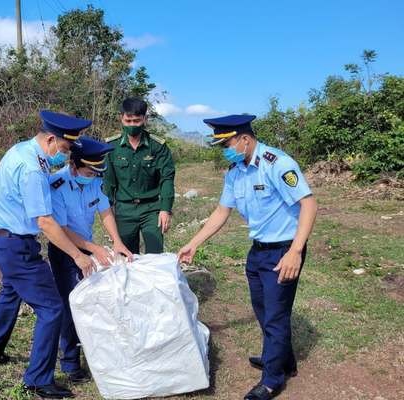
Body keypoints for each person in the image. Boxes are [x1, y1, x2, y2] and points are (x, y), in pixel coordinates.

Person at [177, 114, 317, 400]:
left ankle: (271, 380)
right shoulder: (235, 171)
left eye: (226, 143)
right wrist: (194, 243)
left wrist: (295, 252)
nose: (224, 149)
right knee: (264, 310)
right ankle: (282, 360)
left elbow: (309, 205)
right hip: (258, 251)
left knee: (276, 315)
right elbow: (221, 212)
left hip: (283, 250)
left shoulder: (277, 164)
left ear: (245, 139)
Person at [0, 110, 96, 399]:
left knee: (10, 292)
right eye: (66, 149)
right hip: (17, 246)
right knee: (52, 308)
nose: (66, 156)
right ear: (52, 139)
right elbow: (45, 222)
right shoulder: (32, 168)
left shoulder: (20, 149)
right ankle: (38, 380)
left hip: (3, 239)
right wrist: (78, 256)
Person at [48, 136, 133, 383]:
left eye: (98, 171)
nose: (94, 175)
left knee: (93, 301)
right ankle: (70, 363)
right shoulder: (57, 185)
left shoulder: (94, 179)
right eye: (89, 170)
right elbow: (61, 230)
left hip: (87, 247)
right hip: (65, 250)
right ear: (74, 166)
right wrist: (92, 248)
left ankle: (99, 351)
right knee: (70, 304)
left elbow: (105, 211)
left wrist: (116, 241)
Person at [103, 97, 175, 254]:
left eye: (137, 121)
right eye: (128, 121)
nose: (132, 125)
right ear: (121, 118)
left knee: (155, 256)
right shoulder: (111, 147)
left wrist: (165, 209)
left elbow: (167, 179)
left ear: (145, 119)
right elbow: (108, 184)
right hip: (124, 210)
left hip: (151, 209)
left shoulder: (157, 147)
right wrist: (107, 213)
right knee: (126, 257)